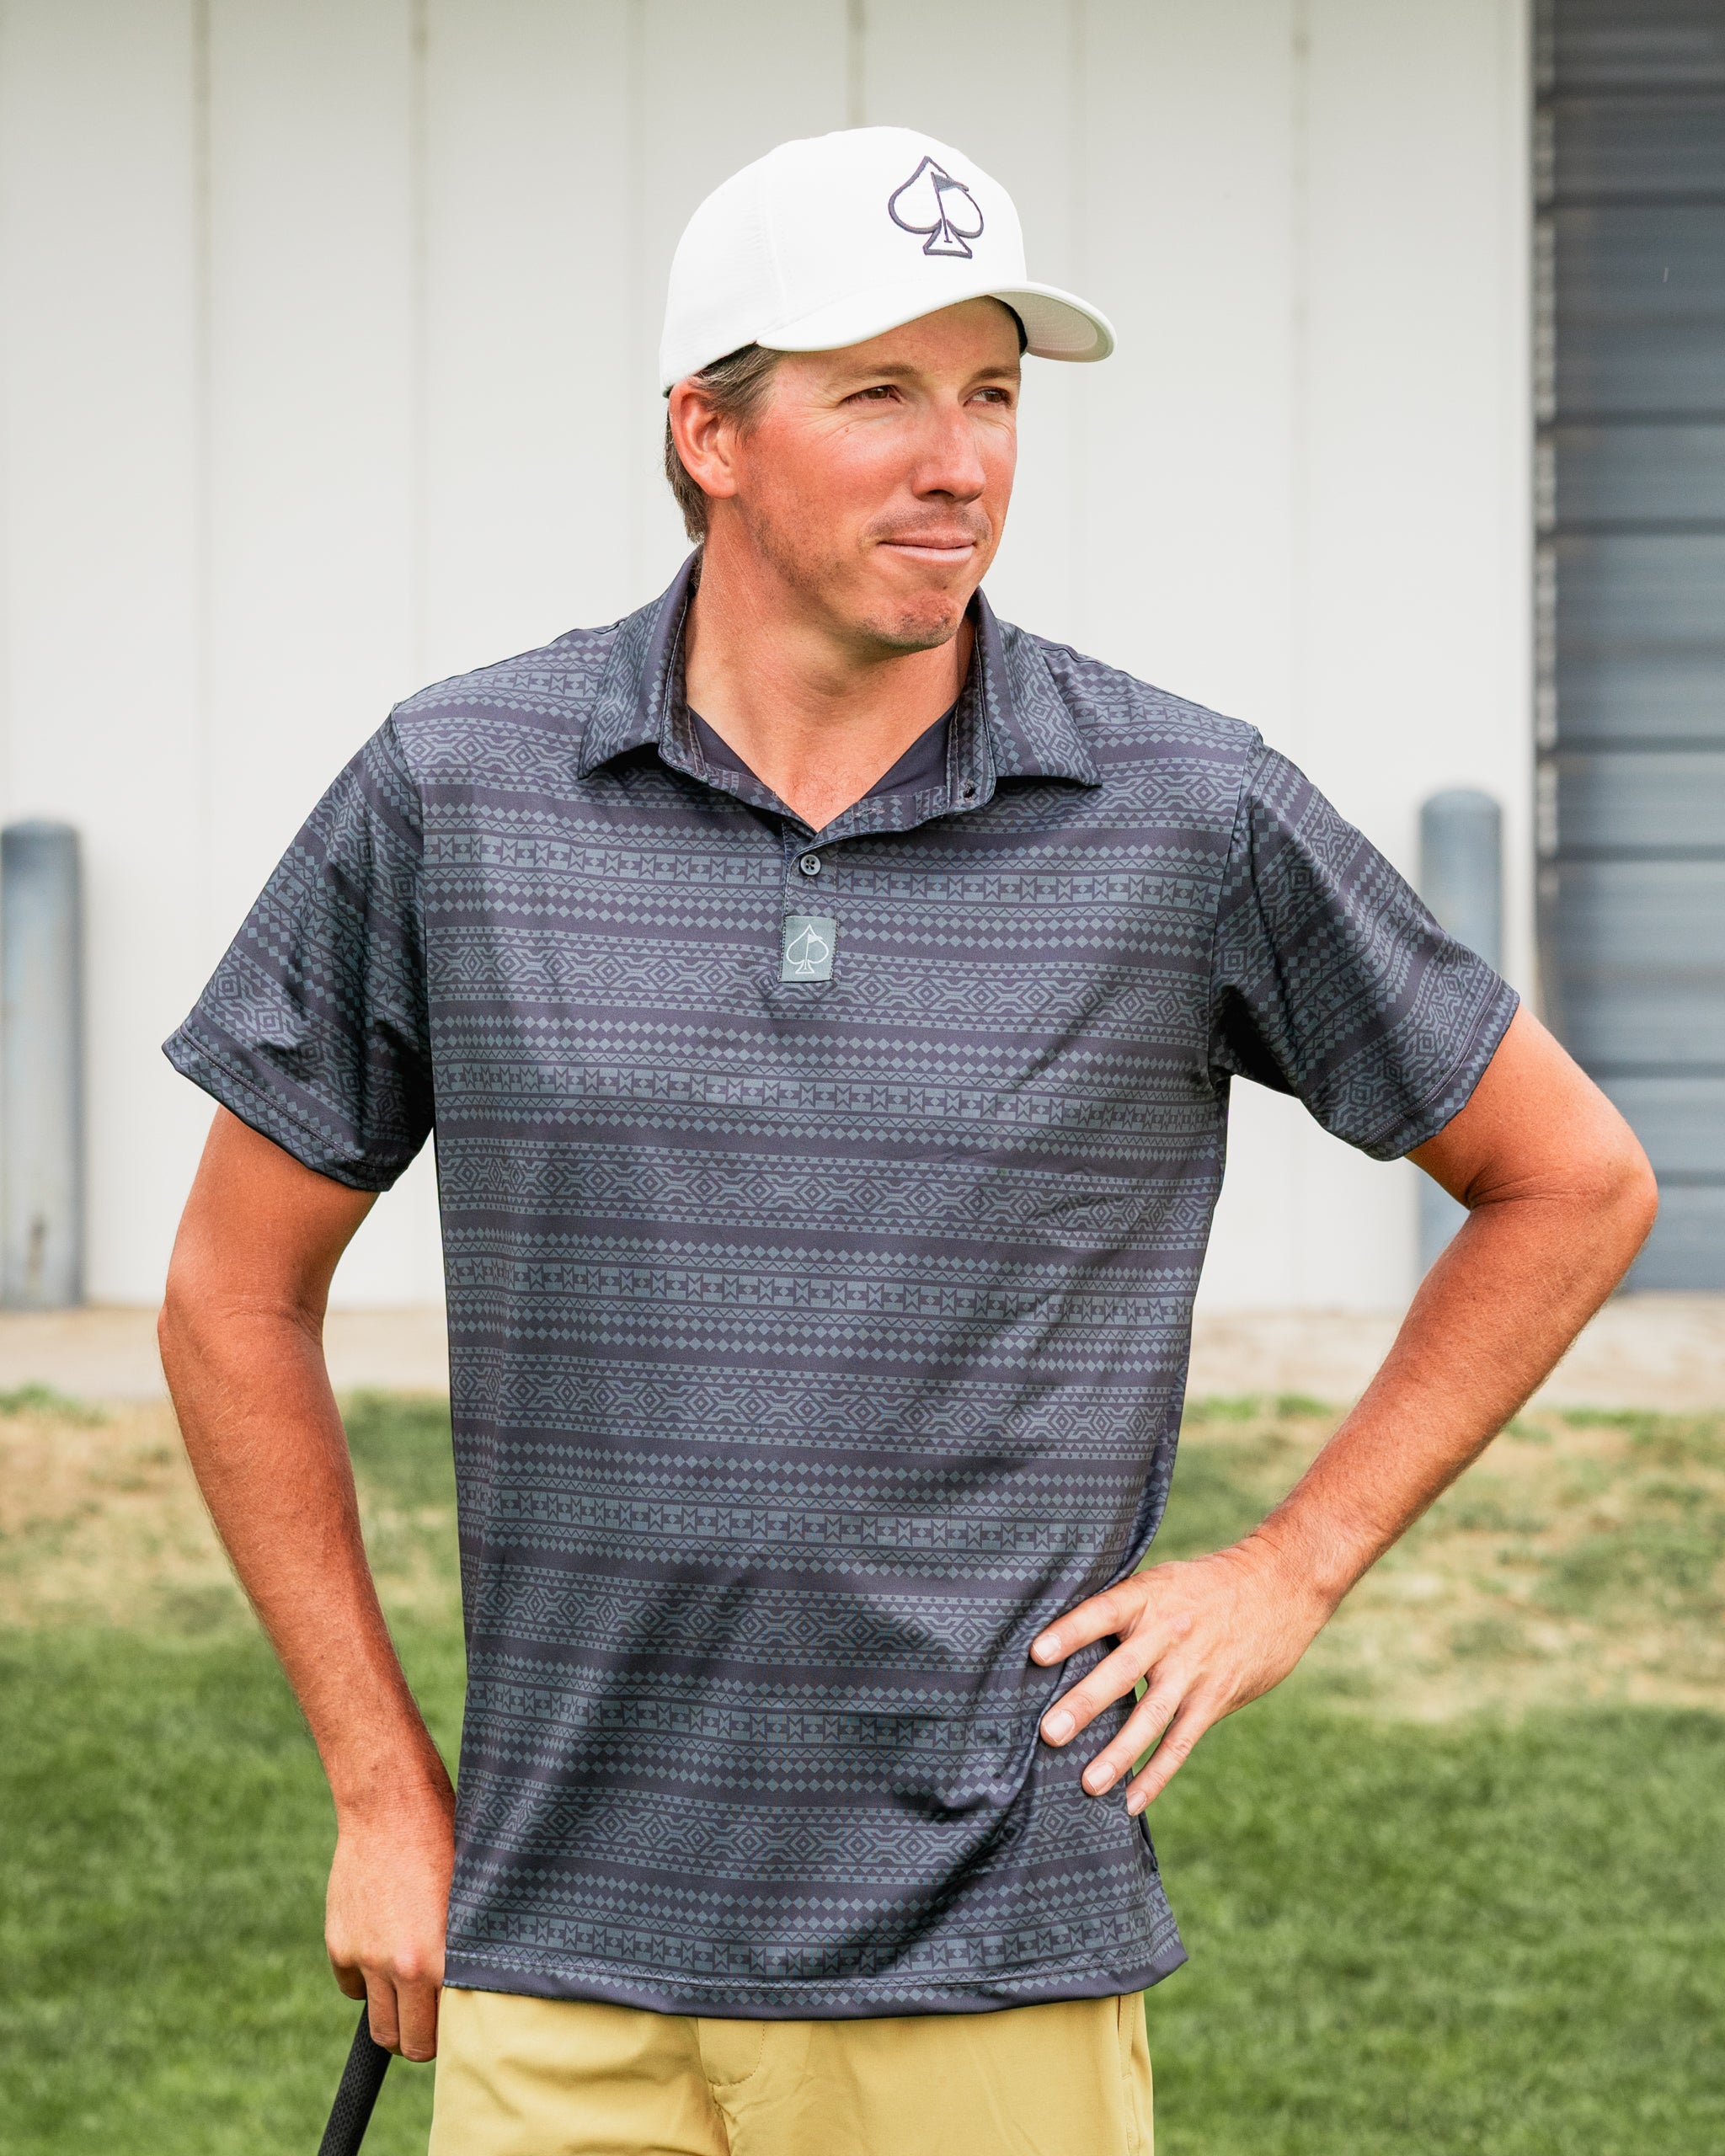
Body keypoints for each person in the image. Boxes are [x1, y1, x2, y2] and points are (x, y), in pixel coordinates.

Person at [158, 126, 1656, 2156]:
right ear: (707, 431)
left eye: (993, 395)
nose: (960, 463)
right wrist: (375, 1789)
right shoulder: (458, 788)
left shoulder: (1185, 809)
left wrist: (1289, 1567)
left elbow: (1570, 1177)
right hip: (557, 1954)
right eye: (880, 393)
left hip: (990, 1960)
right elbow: (231, 1293)